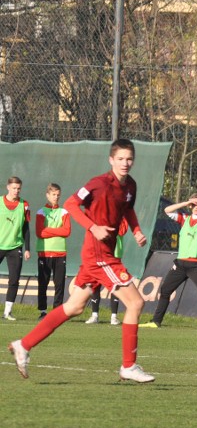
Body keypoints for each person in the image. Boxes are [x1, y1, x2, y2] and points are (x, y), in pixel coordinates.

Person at [7, 139, 154, 383]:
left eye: (129, 158)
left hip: (102, 253)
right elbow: (71, 204)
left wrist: (136, 230)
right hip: (98, 254)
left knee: (74, 307)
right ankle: (128, 366)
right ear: (111, 160)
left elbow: (127, 209)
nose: (125, 163)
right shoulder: (98, 183)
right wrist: (93, 226)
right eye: (120, 158)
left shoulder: (131, 186)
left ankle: (24, 344)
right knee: (136, 303)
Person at [139, 194, 197, 330]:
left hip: (196, 265)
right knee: (165, 290)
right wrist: (185, 203)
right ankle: (156, 321)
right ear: (190, 206)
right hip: (181, 264)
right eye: (193, 205)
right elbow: (167, 210)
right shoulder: (184, 219)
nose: (196, 207)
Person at [36, 183, 71, 320]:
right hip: (44, 252)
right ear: (47, 195)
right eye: (53, 195)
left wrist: (48, 231)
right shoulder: (41, 212)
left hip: (60, 252)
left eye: (58, 195)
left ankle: (56, 312)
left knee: (59, 284)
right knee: (43, 283)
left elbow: (67, 231)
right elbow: (40, 232)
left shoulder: (64, 212)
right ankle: (43, 311)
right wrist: (58, 232)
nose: (56, 197)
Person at [84, 218, 129, 326]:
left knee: (116, 287)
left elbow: (122, 230)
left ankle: (114, 316)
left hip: (115, 256)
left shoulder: (122, 217)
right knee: (95, 285)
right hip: (99, 255)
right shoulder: (100, 215)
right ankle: (95, 315)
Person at [1, 176, 31, 321]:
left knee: (14, 280)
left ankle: (7, 312)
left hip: (15, 247)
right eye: (14, 188)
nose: (16, 191)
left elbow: (26, 227)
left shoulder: (24, 204)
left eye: (18, 188)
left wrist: (27, 248)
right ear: (8, 187)